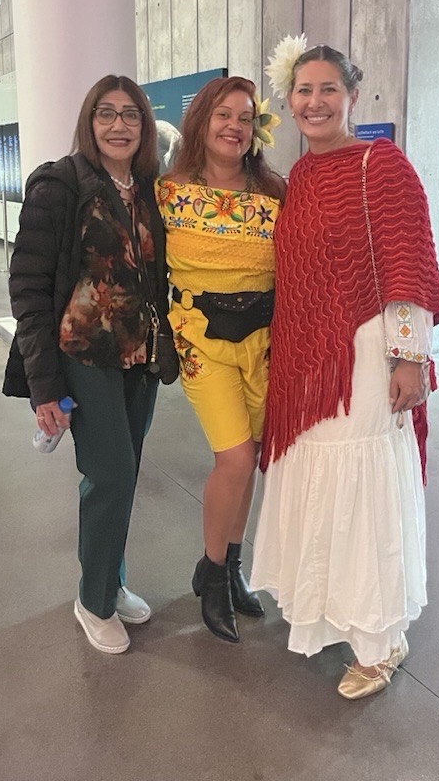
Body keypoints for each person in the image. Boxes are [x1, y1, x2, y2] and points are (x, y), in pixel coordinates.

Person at [250, 41, 439, 699]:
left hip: (365, 355)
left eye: (327, 89)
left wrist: (408, 357)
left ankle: (379, 639)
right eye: (303, 91)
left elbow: (407, 267)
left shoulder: (379, 164)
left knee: (362, 484)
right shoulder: (301, 176)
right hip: (310, 361)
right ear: (288, 102)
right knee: (322, 479)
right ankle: (340, 613)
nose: (314, 102)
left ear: (351, 96)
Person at [3, 74, 177, 655]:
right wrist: (43, 386)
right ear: (89, 121)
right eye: (107, 114)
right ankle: (93, 600)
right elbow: (28, 288)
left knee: (122, 472)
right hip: (84, 356)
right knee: (111, 475)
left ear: (145, 127)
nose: (119, 125)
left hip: (139, 358)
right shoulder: (59, 184)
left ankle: (112, 578)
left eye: (131, 115)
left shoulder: (151, 188)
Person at [157, 75, 285, 643]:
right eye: (223, 115)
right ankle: (211, 575)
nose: (234, 126)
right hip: (199, 336)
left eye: (245, 116)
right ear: (202, 123)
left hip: (263, 340)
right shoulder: (168, 190)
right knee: (233, 457)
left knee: (253, 456)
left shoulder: (275, 191)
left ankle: (230, 567)